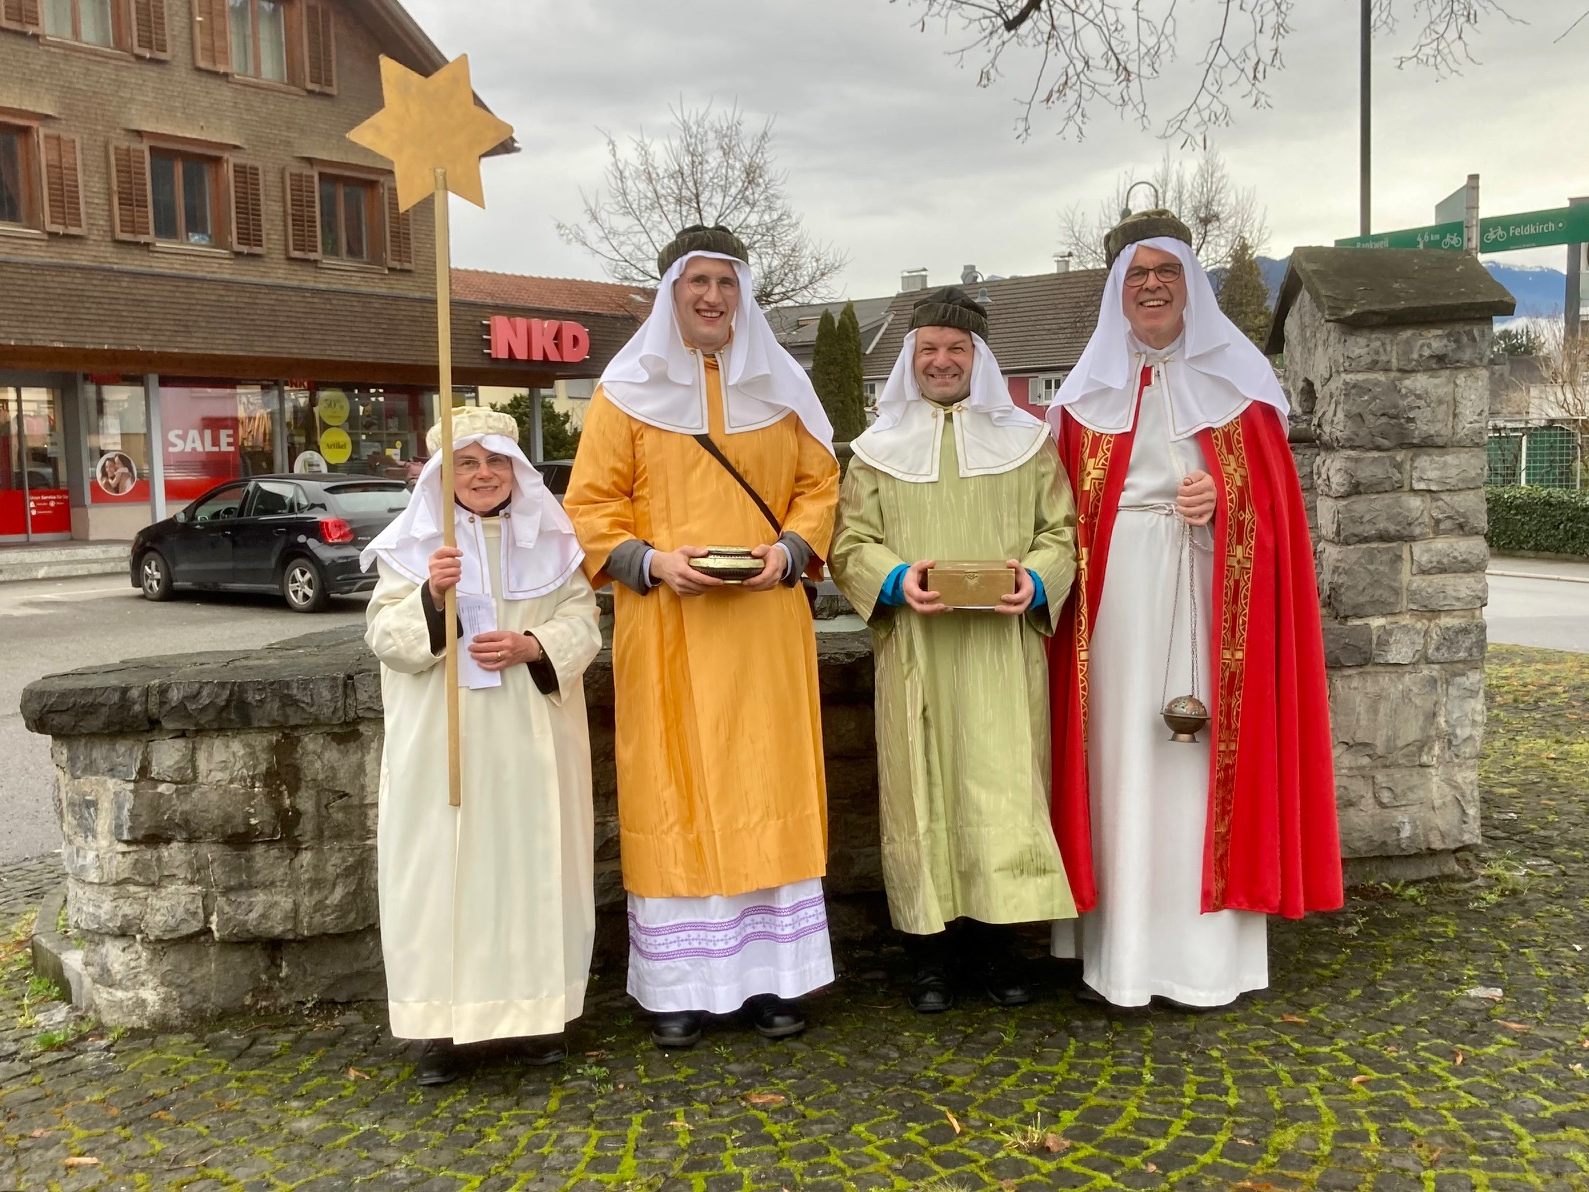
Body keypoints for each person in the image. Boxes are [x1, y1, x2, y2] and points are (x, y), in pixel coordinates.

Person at [1047, 209, 1342, 1009]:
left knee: (1196, 770)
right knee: (1118, 761)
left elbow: (1276, 514)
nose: (1150, 287)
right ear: (1117, 292)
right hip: (1111, 609)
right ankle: (1122, 954)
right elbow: (1048, 514)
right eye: (1136, 275)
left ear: (1189, 287)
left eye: (1165, 273)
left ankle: (1205, 959)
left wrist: (1223, 499)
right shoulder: (1079, 402)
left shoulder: (1240, 391)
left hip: (1210, 600)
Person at [563, 224, 840, 1050]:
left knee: (766, 780)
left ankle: (771, 982)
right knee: (675, 788)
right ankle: (679, 987)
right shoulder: (624, 395)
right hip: (669, 626)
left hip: (763, 626)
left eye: (725, 283)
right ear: (671, 294)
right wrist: (648, 561)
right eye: (697, 283)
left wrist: (788, 551)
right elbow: (587, 506)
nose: (712, 297)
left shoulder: (782, 391)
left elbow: (819, 486)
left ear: (741, 294)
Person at [830, 287, 1078, 1012]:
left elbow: (1059, 533)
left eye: (955, 349)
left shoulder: (1029, 444)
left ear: (980, 359)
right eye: (929, 350)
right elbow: (850, 543)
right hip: (916, 650)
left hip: (1001, 650)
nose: (941, 361)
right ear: (912, 358)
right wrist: (896, 580)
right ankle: (930, 957)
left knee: (1001, 789)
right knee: (920, 793)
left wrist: (1034, 581)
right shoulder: (875, 452)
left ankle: (1000, 949)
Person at [361, 407, 602, 1085]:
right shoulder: (414, 548)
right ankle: (442, 1029)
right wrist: (434, 597)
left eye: (496, 462)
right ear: (443, 475)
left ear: (515, 469)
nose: (484, 475)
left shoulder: (550, 543)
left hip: (531, 739)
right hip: (444, 745)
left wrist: (533, 644)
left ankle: (537, 1017)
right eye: (467, 463)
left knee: (532, 868)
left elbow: (582, 622)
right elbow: (385, 639)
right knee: (441, 878)